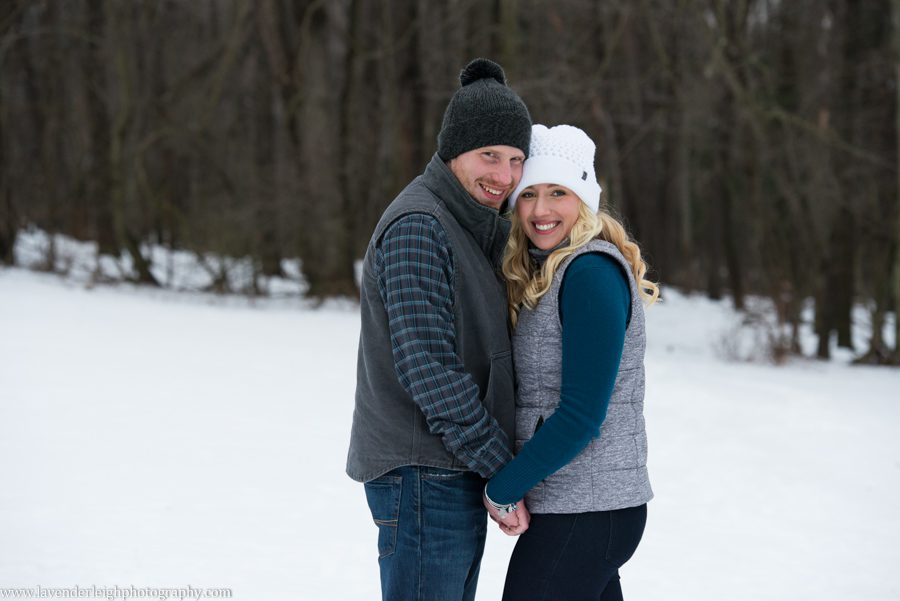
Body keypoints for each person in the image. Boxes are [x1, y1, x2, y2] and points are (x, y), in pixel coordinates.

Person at [346, 58, 533, 601]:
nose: (505, 176)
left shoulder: (473, 225)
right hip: (423, 474)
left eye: (516, 159)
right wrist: (502, 469)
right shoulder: (419, 227)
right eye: (490, 156)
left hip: (450, 470)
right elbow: (428, 367)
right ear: (454, 151)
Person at [483, 124, 660, 601]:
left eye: (558, 192)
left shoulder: (590, 274)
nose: (541, 210)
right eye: (529, 195)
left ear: (584, 199)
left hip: (591, 507)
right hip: (576, 505)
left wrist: (504, 487)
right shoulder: (553, 269)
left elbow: (581, 415)